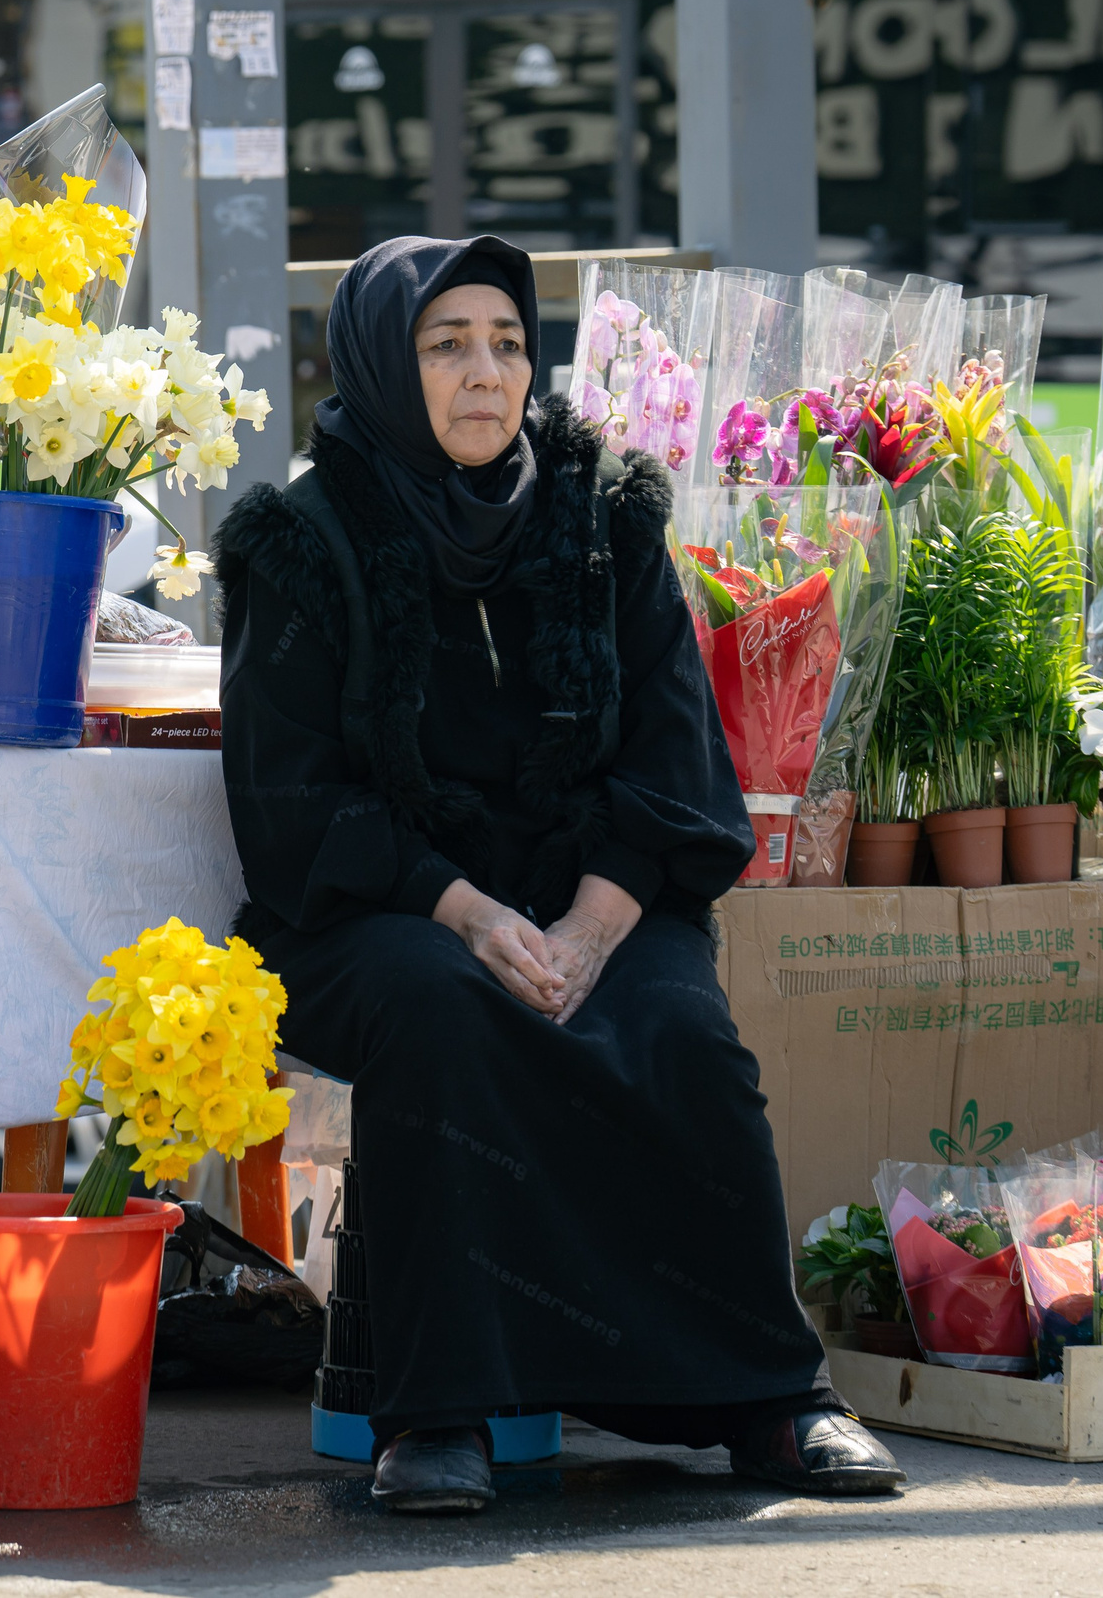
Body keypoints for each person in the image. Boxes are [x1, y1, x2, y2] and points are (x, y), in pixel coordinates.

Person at [211, 236, 903, 1514]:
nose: (485, 374)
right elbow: (291, 799)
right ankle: (437, 1415)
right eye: (445, 345)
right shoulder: (300, 540)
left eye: (507, 344)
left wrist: (588, 926)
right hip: (377, 910)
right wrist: (467, 910)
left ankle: (770, 1398)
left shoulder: (603, 512)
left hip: (591, 894)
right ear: (379, 361)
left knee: (680, 1030)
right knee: (439, 1011)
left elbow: (673, 749)